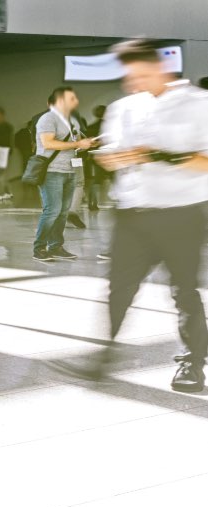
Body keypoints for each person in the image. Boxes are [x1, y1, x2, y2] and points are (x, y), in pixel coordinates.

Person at [56, 39, 208, 392]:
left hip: (181, 215)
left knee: (183, 290)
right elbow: (110, 151)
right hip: (132, 214)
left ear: (162, 68)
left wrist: (156, 155)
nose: (133, 82)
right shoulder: (123, 108)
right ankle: (103, 358)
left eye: (140, 74)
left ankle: (193, 364)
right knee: (119, 289)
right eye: (129, 76)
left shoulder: (199, 104)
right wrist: (109, 157)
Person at [31, 86, 95, 263]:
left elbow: (77, 141)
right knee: (52, 211)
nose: (75, 101)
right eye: (70, 98)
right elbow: (48, 143)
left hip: (69, 171)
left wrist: (90, 143)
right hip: (52, 171)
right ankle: (39, 248)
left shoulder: (71, 121)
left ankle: (56, 246)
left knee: (62, 213)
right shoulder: (47, 119)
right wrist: (77, 145)